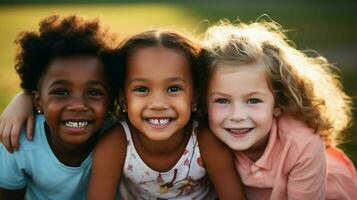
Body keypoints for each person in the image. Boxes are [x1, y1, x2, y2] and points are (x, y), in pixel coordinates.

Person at [201, 21, 357, 199]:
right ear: (204, 103)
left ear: (277, 103)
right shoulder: (201, 137)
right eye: (222, 100)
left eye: (253, 100)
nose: (237, 116)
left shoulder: (302, 143)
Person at [87, 29, 245, 199]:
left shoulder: (205, 141)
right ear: (123, 99)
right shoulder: (116, 144)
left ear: (195, 98)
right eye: (142, 89)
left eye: (174, 89)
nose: (158, 104)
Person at [0, 14, 121, 200]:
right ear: (38, 100)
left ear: (111, 99)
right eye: (62, 92)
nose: (78, 106)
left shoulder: (119, 135)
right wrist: (22, 97)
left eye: (94, 92)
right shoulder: (17, 140)